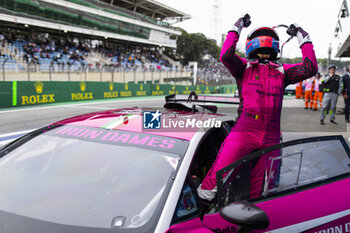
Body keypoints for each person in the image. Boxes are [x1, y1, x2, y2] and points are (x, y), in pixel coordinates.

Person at [197, 14, 317, 204]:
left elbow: (310, 67)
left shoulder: (283, 71)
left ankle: (251, 225)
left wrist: (302, 35)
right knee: (214, 183)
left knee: (264, 191)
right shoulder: (243, 68)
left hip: (271, 137)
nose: (265, 47)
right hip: (244, 131)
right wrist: (238, 25)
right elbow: (225, 54)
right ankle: (200, 216)